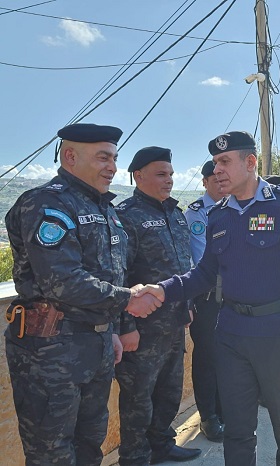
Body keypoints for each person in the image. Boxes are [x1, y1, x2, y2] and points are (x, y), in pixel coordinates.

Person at [132, 131, 280, 466]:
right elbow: (204, 274)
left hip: (278, 332)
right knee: (238, 424)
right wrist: (162, 289)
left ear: (250, 162)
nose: (217, 169)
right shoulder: (219, 215)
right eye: (215, 162)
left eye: (225, 161)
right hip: (230, 334)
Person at [4, 123, 161, 465]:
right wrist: (127, 299)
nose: (113, 167)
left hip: (96, 344)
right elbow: (61, 281)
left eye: (114, 158)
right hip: (50, 351)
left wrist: (111, 328)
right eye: (103, 157)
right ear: (70, 157)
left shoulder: (105, 208)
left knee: (90, 442)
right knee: (52, 452)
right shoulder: (47, 203)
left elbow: (110, 272)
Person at [115, 146, 201, 465]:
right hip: (142, 330)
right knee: (138, 399)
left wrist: (187, 305)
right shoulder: (125, 216)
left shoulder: (175, 214)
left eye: (171, 174)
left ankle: (162, 444)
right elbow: (119, 276)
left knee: (169, 391)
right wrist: (126, 327)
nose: (169, 180)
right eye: (161, 174)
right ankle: (135, 456)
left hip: (173, 324)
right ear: (138, 176)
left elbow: (183, 266)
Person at [185, 160, 226, 442]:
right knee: (207, 359)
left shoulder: (235, 207)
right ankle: (208, 416)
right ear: (204, 182)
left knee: (228, 358)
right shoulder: (197, 213)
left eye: (224, 179)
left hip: (233, 297)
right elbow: (202, 261)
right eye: (215, 180)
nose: (221, 184)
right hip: (208, 298)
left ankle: (223, 411)